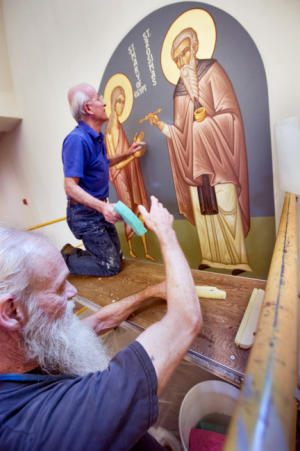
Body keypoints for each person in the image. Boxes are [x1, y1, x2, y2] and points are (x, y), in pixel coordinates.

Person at [0, 196, 202, 450]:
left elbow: (97, 322)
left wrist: (149, 293)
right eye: (60, 286)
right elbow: (185, 321)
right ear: (11, 311)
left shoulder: (23, 353)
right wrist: (166, 233)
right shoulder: (47, 425)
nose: (72, 291)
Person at [150, 27, 252, 275]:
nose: (181, 62)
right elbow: (181, 133)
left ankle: (237, 259)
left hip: (219, 156)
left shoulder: (212, 71)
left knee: (226, 205)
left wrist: (208, 119)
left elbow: (232, 115)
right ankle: (210, 257)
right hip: (195, 165)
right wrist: (163, 127)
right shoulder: (179, 90)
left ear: (194, 48)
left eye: (184, 53)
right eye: (176, 59)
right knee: (205, 213)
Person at [61, 82, 145, 276]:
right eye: (99, 99)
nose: (104, 103)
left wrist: (127, 153)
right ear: (88, 108)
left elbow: (102, 163)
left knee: (118, 259)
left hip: (98, 210)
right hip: (84, 214)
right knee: (110, 266)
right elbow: (70, 186)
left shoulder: (96, 137)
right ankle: (64, 258)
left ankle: (81, 257)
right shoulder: (77, 140)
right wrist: (102, 207)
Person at [105, 85, 154, 260]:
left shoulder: (119, 127)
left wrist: (133, 146)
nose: (121, 105)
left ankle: (145, 252)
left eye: (123, 102)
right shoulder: (111, 131)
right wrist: (134, 156)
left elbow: (124, 154)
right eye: (118, 101)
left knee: (135, 208)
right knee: (129, 211)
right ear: (113, 103)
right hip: (121, 178)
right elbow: (115, 166)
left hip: (128, 175)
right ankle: (133, 251)